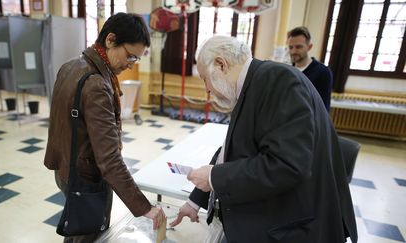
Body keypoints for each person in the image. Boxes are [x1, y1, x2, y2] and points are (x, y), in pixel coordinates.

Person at [170, 36, 357, 243]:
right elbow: (233, 148)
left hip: (293, 226)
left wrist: (214, 177)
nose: (207, 89)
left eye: (205, 78)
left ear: (220, 64)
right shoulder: (256, 82)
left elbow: (287, 165)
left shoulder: (279, 81)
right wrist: (196, 199)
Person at [44, 13, 165, 242]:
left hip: (65, 169)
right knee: (88, 236)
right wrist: (144, 207)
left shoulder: (70, 66)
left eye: (135, 60)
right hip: (86, 177)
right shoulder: (97, 83)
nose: (130, 65)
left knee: (76, 229)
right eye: (129, 57)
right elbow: (108, 159)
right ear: (110, 40)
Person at [287, 26, 333, 112]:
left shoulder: (323, 72)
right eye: (290, 47)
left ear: (309, 47)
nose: (293, 51)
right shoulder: (288, 71)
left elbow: (323, 109)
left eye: (298, 47)